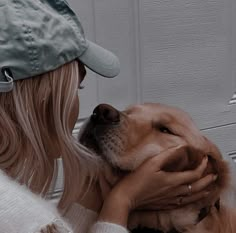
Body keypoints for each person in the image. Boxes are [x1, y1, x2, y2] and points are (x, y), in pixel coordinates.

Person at [0, 1, 215, 232]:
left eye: (164, 129)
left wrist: (97, 188)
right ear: (40, 100)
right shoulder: (29, 222)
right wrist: (122, 201)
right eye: (76, 88)